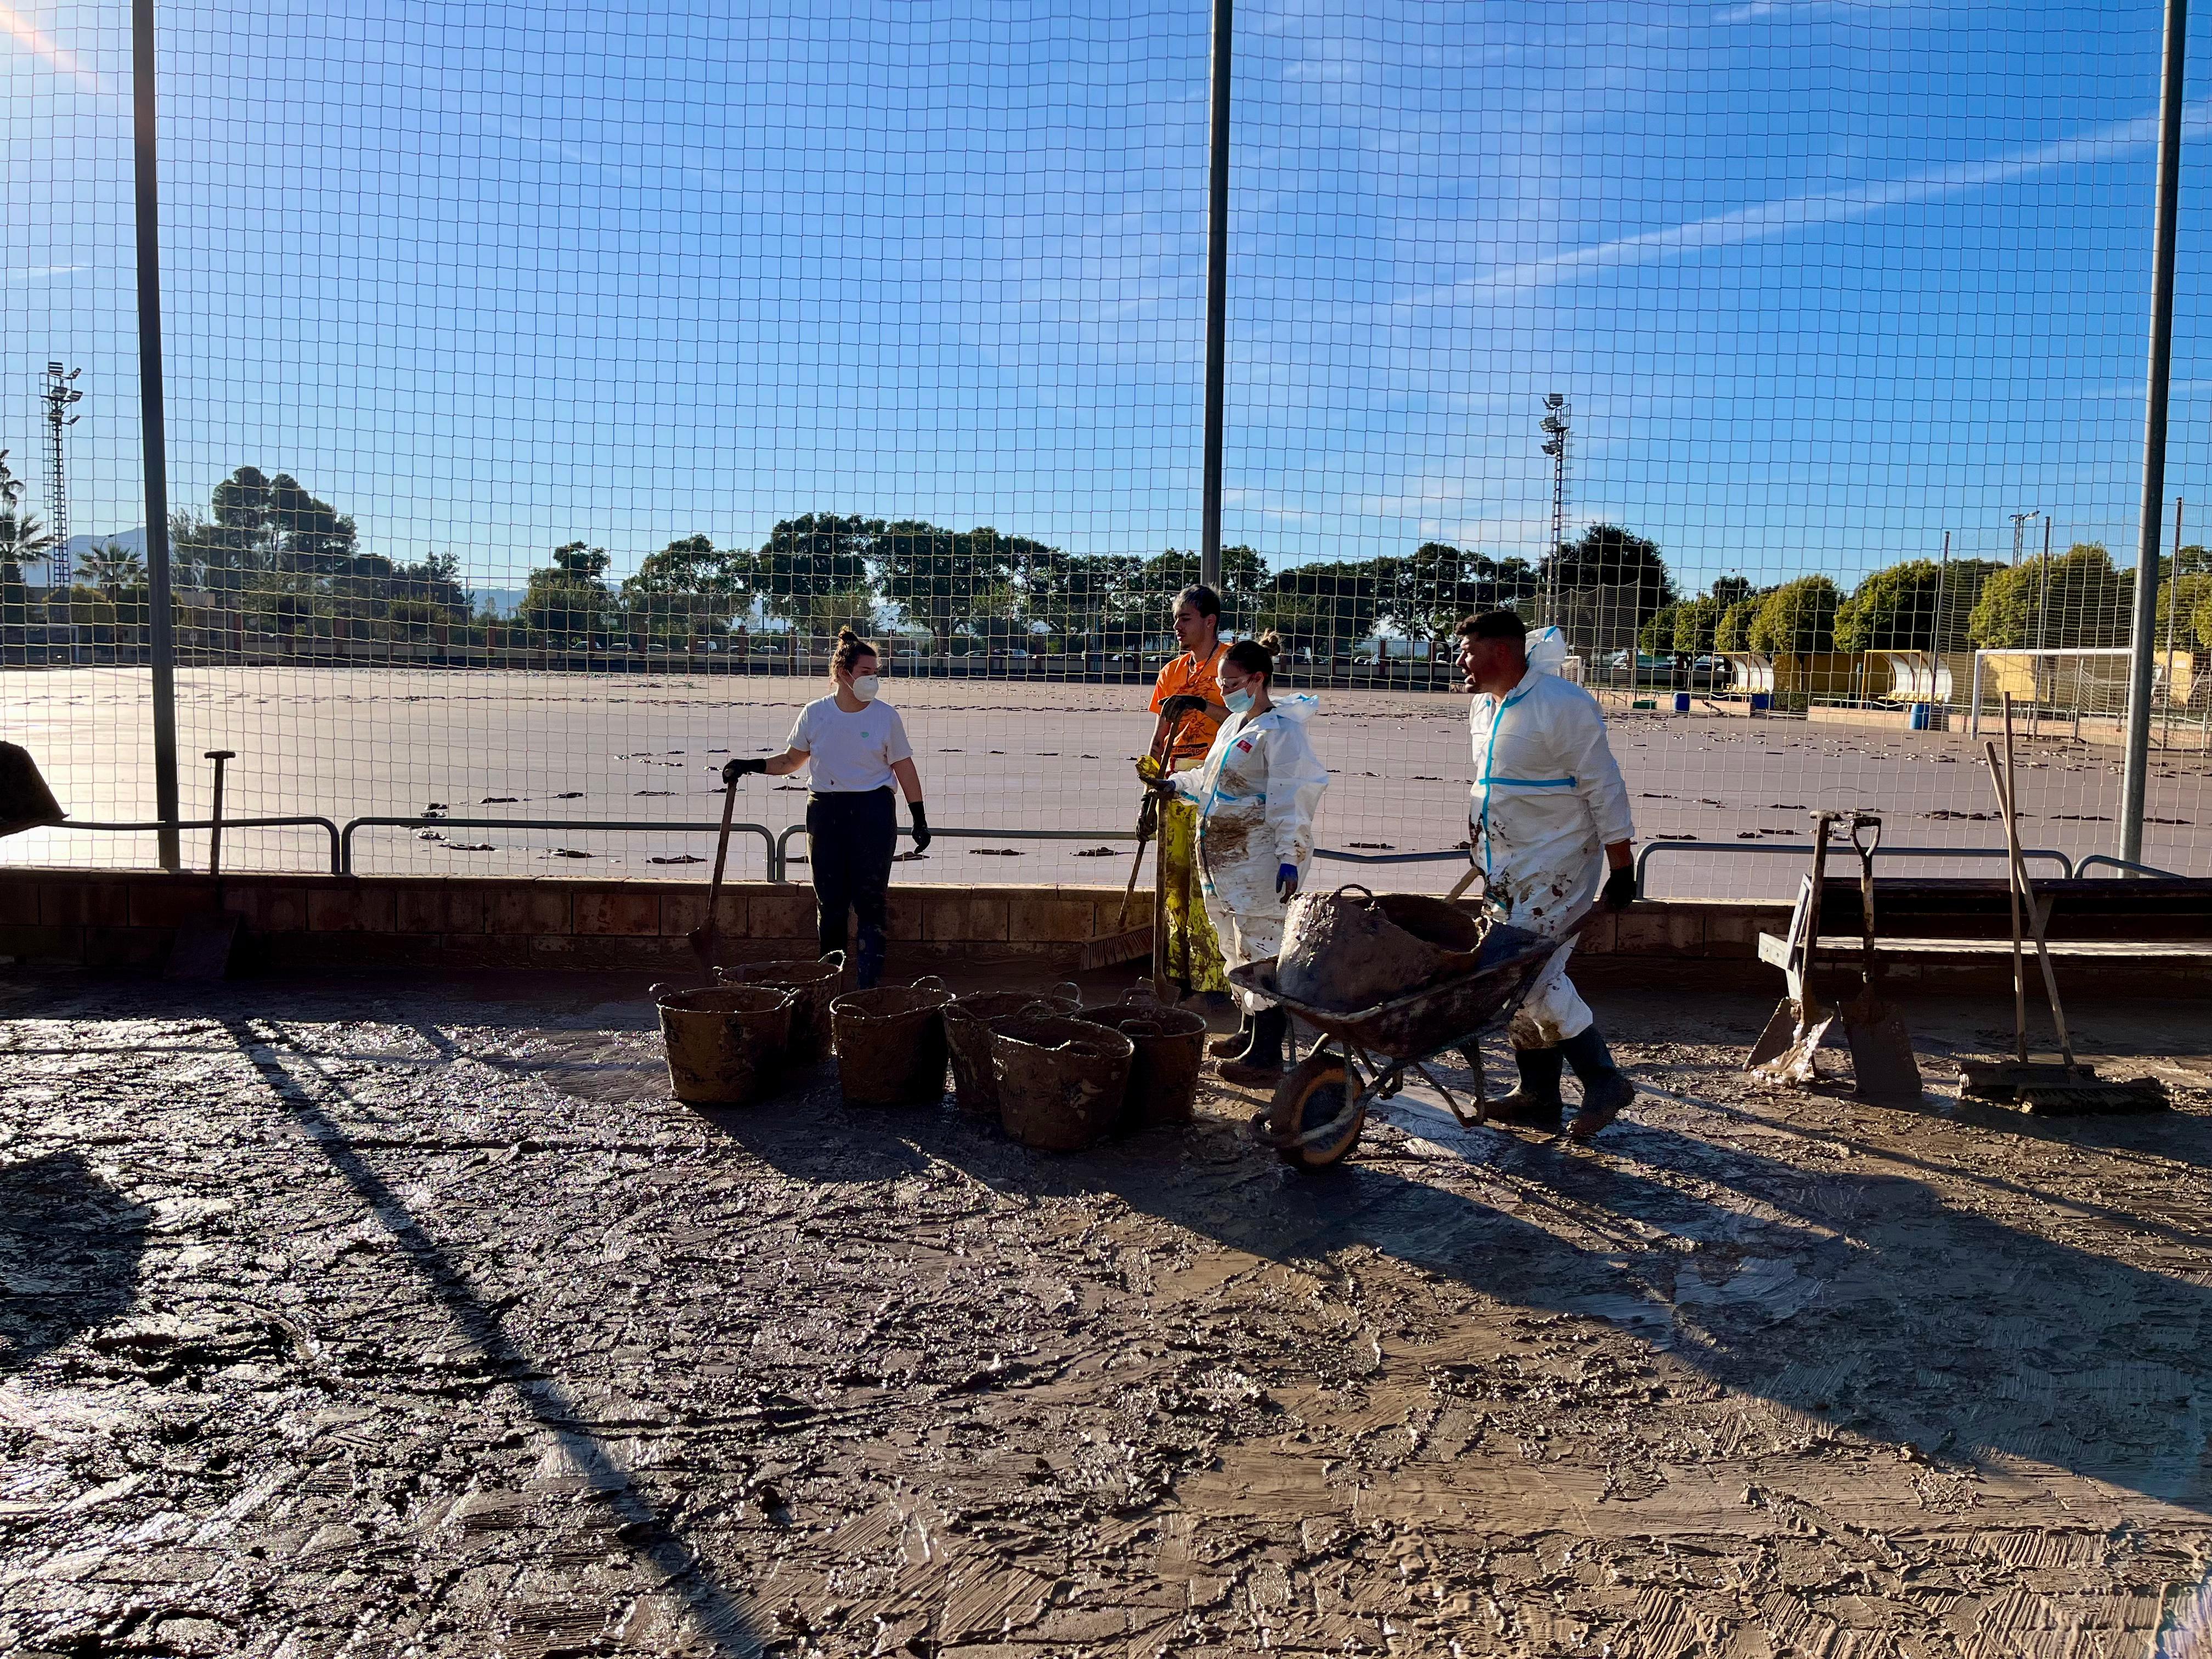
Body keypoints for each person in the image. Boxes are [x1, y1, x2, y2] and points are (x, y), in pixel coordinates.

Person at [1458, 608, 1639, 1139]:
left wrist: (1621, 864)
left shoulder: (1564, 705)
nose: (1461, 660)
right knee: (1503, 973)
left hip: (1556, 863)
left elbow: (1603, 785)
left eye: (1469, 651)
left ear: (1502, 652)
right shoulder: (1481, 709)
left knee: (1525, 971)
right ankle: (1538, 1094)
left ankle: (1604, 1079)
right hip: (1503, 864)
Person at [1160, 631, 1329, 1087]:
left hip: (1259, 861)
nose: (1224, 692)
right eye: (1221, 684)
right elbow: (1213, 781)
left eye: (1231, 683)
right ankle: (1248, 1031)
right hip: (1222, 859)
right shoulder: (1234, 728)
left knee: (1262, 949)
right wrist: (1177, 785)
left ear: (1258, 679)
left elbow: (1292, 800)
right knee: (1233, 946)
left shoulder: (1283, 733)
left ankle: (1267, 1055)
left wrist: (1290, 857)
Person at [725, 628, 930, 989]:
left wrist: (918, 817)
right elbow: (791, 761)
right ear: (843, 674)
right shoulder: (816, 714)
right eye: (866, 673)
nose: (873, 680)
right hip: (826, 814)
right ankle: (828, 986)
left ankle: (869, 989)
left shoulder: (885, 717)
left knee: (871, 905)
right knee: (831, 905)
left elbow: (904, 767)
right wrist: (749, 764)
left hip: (873, 813)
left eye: (876, 673)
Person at [1141, 586, 1234, 1008]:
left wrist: (1200, 703)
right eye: (1176, 618)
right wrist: (1148, 792)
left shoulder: (1232, 665)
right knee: (1174, 887)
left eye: (1185, 619)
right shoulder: (1171, 671)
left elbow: (1249, 720)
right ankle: (1179, 979)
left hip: (1219, 789)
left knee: (1208, 889)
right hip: (1174, 787)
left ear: (1209, 621)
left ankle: (1214, 986)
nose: (1176, 626)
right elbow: (1160, 738)